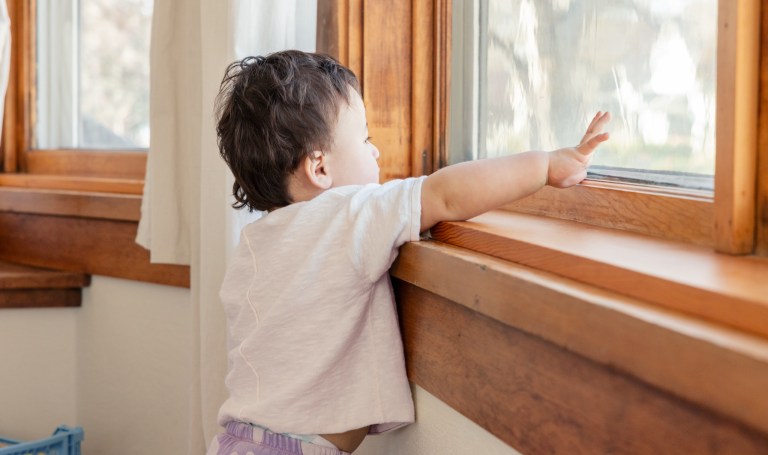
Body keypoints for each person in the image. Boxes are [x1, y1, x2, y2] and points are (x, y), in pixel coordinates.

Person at [207, 50, 610, 455]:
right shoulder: (347, 214)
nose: (376, 152)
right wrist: (545, 167)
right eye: (365, 139)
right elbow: (446, 195)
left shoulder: (255, 244)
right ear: (320, 168)